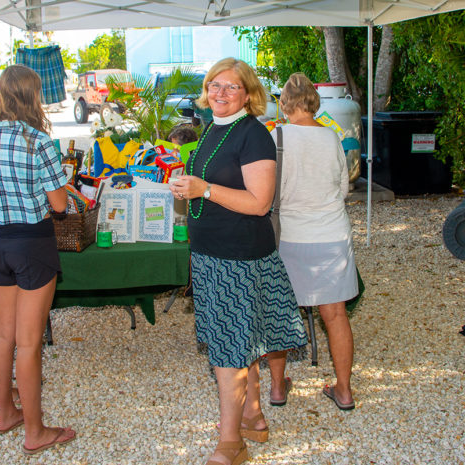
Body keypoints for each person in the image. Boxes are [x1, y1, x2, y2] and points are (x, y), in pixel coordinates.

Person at [169, 58, 307, 465]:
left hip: (238, 258)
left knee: (229, 351)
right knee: (239, 340)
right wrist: (189, 188)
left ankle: (231, 443)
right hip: (211, 254)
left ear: (248, 94)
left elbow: (259, 202)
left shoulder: (254, 135)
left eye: (232, 87)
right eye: (215, 84)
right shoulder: (212, 127)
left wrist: (205, 189)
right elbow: (209, 185)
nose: (221, 93)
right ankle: (252, 414)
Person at [0, 65, 76, 455]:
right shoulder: (39, 142)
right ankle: (35, 431)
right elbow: (60, 205)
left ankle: (5, 413)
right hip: (32, 244)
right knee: (29, 344)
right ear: (33, 96)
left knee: (3, 334)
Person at [266, 72, 358, 411]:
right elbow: (344, 187)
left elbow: (268, 192)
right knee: (334, 314)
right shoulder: (332, 137)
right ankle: (344, 390)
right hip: (332, 233)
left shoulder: (276, 137)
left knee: (279, 312)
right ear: (313, 102)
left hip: (289, 235)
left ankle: (277, 388)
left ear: (285, 104)